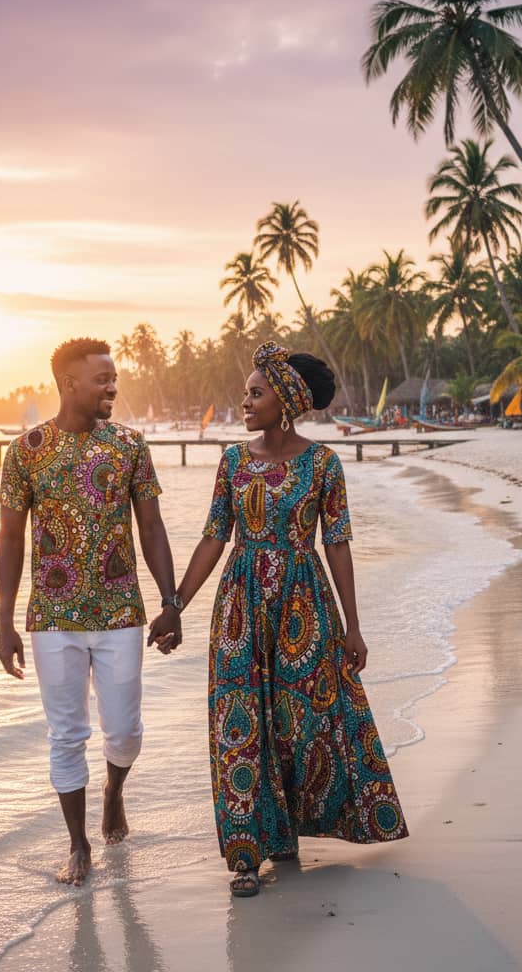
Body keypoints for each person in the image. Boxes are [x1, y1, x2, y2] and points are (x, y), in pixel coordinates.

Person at [163, 342, 408, 897]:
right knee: (240, 722)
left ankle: (290, 833)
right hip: (238, 607)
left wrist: (354, 625)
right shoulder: (231, 461)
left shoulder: (323, 464)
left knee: (302, 724)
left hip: (305, 604)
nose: (244, 402)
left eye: (256, 393)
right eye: (245, 393)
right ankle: (246, 855)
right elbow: (213, 537)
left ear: (287, 401)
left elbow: (338, 544)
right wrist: (175, 603)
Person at [0, 337, 182, 887]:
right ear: (69, 384)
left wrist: (170, 603)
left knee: (124, 731)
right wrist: (3, 622)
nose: (112, 386)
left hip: (122, 611)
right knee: (66, 734)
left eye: (114, 377)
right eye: (102, 378)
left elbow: (151, 527)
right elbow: (10, 541)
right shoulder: (26, 450)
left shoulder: (129, 445)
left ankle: (113, 790)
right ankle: (78, 846)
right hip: (53, 617)